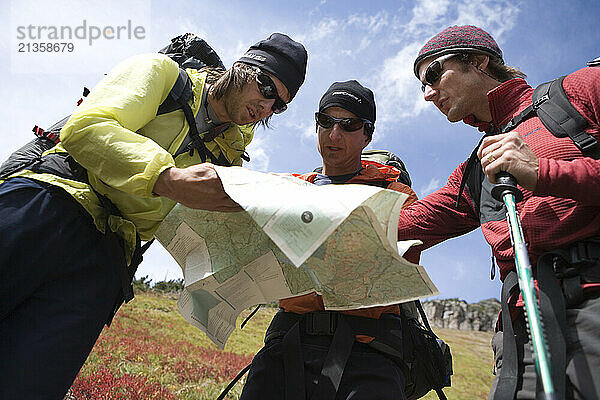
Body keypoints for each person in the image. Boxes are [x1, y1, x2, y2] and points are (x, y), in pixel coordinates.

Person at [0, 33, 307, 400]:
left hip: (108, 260)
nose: (268, 107)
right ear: (245, 66)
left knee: (28, 385)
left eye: (280, 105)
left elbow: (198, 232)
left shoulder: (231, 160)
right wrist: (167, 177)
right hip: (51, 202)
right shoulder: (163, 74)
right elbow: (86, 127)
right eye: (266, 88)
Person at [398, 25, 600, 399]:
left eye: (432, 74)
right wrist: (303, 212)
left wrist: (544, 173)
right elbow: (406, 223)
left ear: (477, 60)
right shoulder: (474, 171)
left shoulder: (583, 90)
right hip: (518, 331)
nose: (427, 94)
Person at [238, 80, 419, 400]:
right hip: (286, 347)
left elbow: (400, 265)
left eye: (348, 125)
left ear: (367, 135)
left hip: (369, 357)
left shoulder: (395, 194)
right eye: (325, 121)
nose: (334, 134)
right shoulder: (288, 188)